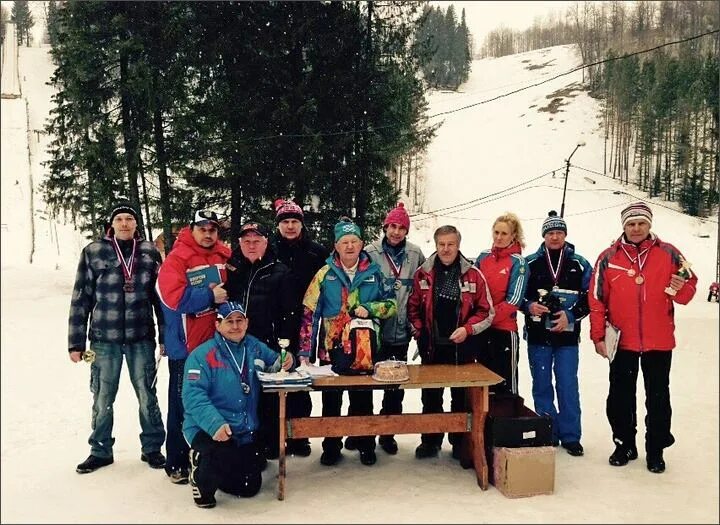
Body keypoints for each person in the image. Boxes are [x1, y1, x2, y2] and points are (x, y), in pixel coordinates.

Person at [589, 202, 697, 473]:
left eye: (641, 223)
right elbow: (597, 299)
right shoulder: (608, 257)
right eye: (630, 224)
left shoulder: (669, 253)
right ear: (623, 226)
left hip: (658, 339)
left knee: (658, 397)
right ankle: (624, 443)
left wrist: (680, 288)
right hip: (621, 340)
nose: (636, 229)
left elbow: (687, 292)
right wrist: (598, 335)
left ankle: (656, 449)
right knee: (620, 396)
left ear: (649, 225)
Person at [68, 200, 166, 474]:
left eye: (129, 219)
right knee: (102, 396)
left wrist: (164, 336)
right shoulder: (93, 252)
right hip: (104, 338)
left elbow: (161, 299)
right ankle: (100, 450)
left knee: (147, 395)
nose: (125, 223)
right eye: (120, 219)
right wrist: (75, 342)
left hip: (141, 337)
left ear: (136, 224)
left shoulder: (149, 252)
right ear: (111, 224)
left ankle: (153, 448)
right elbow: (80, 298)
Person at [298, 217, 396, 467]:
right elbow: (310, 313)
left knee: (362, 399)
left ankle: (365, 443)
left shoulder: (374, 273)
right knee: (332, 400)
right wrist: (305, 352)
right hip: (332, 349)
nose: (350, 246)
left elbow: (391, 305)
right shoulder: (325, 273)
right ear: (336, 245)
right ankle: (331, 445)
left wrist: (369, 308)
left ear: (361, 243)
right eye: (344, 242)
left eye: (354, 241)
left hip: (364, 348)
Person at [182, 301, 294, 508]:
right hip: (207, 428)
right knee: (208, 491)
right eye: (229, 321)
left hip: (241, 430)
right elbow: (193, 396)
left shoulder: (254, 346)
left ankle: (223, 466)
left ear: (246, 322)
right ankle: (201, 473)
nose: (235, 326)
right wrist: (214, 424)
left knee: (249, 487)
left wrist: (287, 361)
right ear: (218, 325)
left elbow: (275, 362)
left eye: (239, 321)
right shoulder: (202, 355)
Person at [156, 210, 231, 483]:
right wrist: (209, 295)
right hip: (186, 347)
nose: (208, 233)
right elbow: (172, 297)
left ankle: (212, 457)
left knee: (215, 402)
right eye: (202, 228)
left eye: (212, 228)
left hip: (218, 345)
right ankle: (176, 459)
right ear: (192, 230)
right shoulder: (177, 259)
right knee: (182, 403)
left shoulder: (224, 256)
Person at [407, 224, 494, 460]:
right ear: (435, 246)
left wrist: (467, 329)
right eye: (441, 244)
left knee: (460, 399)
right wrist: (418, 330)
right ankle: (430, 441)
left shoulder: (473, 274)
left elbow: (486, 312)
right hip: (432, 347)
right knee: (431, 398)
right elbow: (411, 307)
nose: (446, 249)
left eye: (450, 244)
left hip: (461, 349)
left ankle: (459, 442)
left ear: (458, 245)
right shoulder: (423, 273)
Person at [225, 219, 298, 460]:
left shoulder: (279, 271)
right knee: (239, 395)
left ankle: (269, 445)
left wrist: (288, 350)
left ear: (266, 242)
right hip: (235, 345)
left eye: (257, 240)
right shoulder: (231, 268)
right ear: (239, 243)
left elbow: (290, 316)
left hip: (267, 344)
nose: (252, 245)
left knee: (266, 398)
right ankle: (244, 444)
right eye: (247, 241)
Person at [522, 211, 591, 458]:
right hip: (539, 336)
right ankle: (547, 431)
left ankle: (571, 436)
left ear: (565, 235)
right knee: (541, 386)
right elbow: (518, 296)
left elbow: (591, 298)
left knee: (567, 385)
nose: (554, 236)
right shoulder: (529, 263)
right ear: (543, 235)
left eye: (559, 232)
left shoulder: (580, 263)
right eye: (550, 232)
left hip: (567, 338)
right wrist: (529, 306)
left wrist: (570, 316)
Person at [365, 202, 425, 455]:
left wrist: (417, 323)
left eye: (401, 228)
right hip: (373, 332)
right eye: (392, 226)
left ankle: (387, 432)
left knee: (394, 387)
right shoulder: (370, 252)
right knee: (365, 384)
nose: (396, 232)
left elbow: (423, 288)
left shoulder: (415, 254)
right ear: (385, 226)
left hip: (401, 332)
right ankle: (363, 431)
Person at [271, 198, 330, 457]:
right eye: (286, 222)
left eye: (295, 221)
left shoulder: (316, 251)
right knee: (274, 380)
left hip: (306, 325)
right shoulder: (269, 249)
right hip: (275, 323)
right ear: (278, 225)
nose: (291, 226)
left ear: (302, 224)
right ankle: (274, 436)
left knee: (301, 380)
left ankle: (300, 437)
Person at [474, 212, 529, 395]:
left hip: (504, 331)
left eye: (504, 233)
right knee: (481, 387)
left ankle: (506, 422)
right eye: (496, 232)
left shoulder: (519, 263)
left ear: (513, 236)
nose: (499, 237)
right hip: (481, 331)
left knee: (504, 387)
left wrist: (486, 318)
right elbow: (473, 289)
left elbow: (513, 300)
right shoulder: (483, 257)